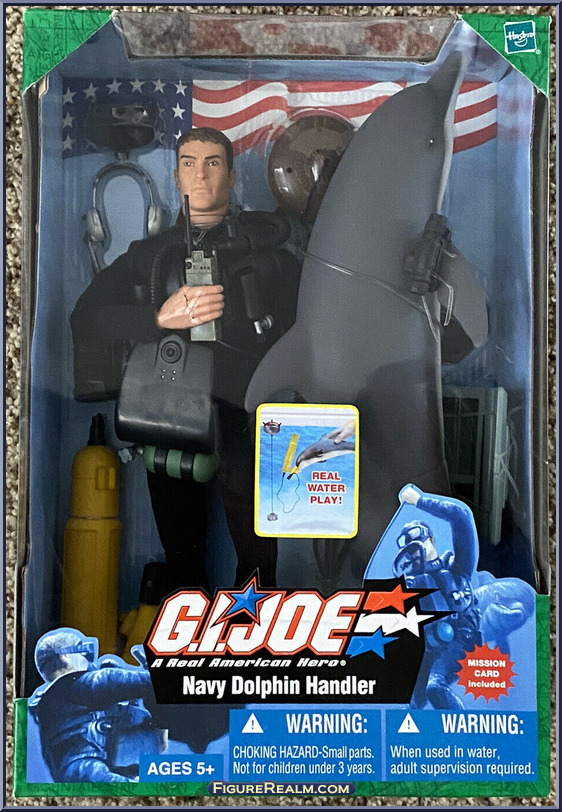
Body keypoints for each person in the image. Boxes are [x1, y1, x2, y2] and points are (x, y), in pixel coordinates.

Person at [71, 127, 301, 593]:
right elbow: (87, 318)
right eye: (190, 163)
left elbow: (312, 333)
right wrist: (158, 318)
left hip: (247, 412)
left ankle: (258, 631)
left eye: (213, 163)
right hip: (170, 409)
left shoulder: (272, 255)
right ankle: (186, 629)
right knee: (182, 558)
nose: (201, 174)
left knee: (258, 558)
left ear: (231, 176)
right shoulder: (149, 258)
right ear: (176, 176)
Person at [29, 631, 162, 783]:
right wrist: (153, 670)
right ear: (65, 656)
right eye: (84, 652)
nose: (89, 661)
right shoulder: (82, 684)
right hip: (93, 772)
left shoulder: (45, 703)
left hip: (72, 776)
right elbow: (147, 682)